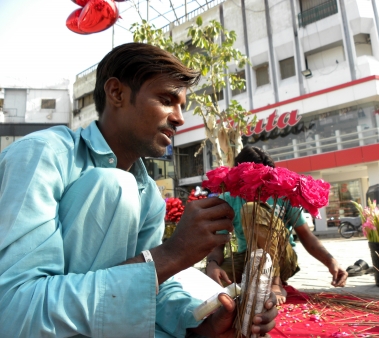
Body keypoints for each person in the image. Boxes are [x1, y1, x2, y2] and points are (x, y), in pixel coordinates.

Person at [0, 43, 277, 337]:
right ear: (117, 93)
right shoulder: (43, 155)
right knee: (114, 185)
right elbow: (14, 311)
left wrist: (203, 324)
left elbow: (149, 289)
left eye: (182, 105)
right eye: (166, 99)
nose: (179, 118)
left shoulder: (149, 196)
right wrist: (172, 254)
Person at [206, 146, 348, 305]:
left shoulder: (282, 194)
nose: (261, 184)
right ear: (240, 176)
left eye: (266, 178)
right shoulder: (228, 198)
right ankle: (256, 280)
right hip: (248, 260)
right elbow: (218, 243)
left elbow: (306, 236)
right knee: (212, 282)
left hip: (282, 260)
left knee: (251, 209)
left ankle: (274, 281)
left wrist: (331, 262)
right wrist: (212, 265)